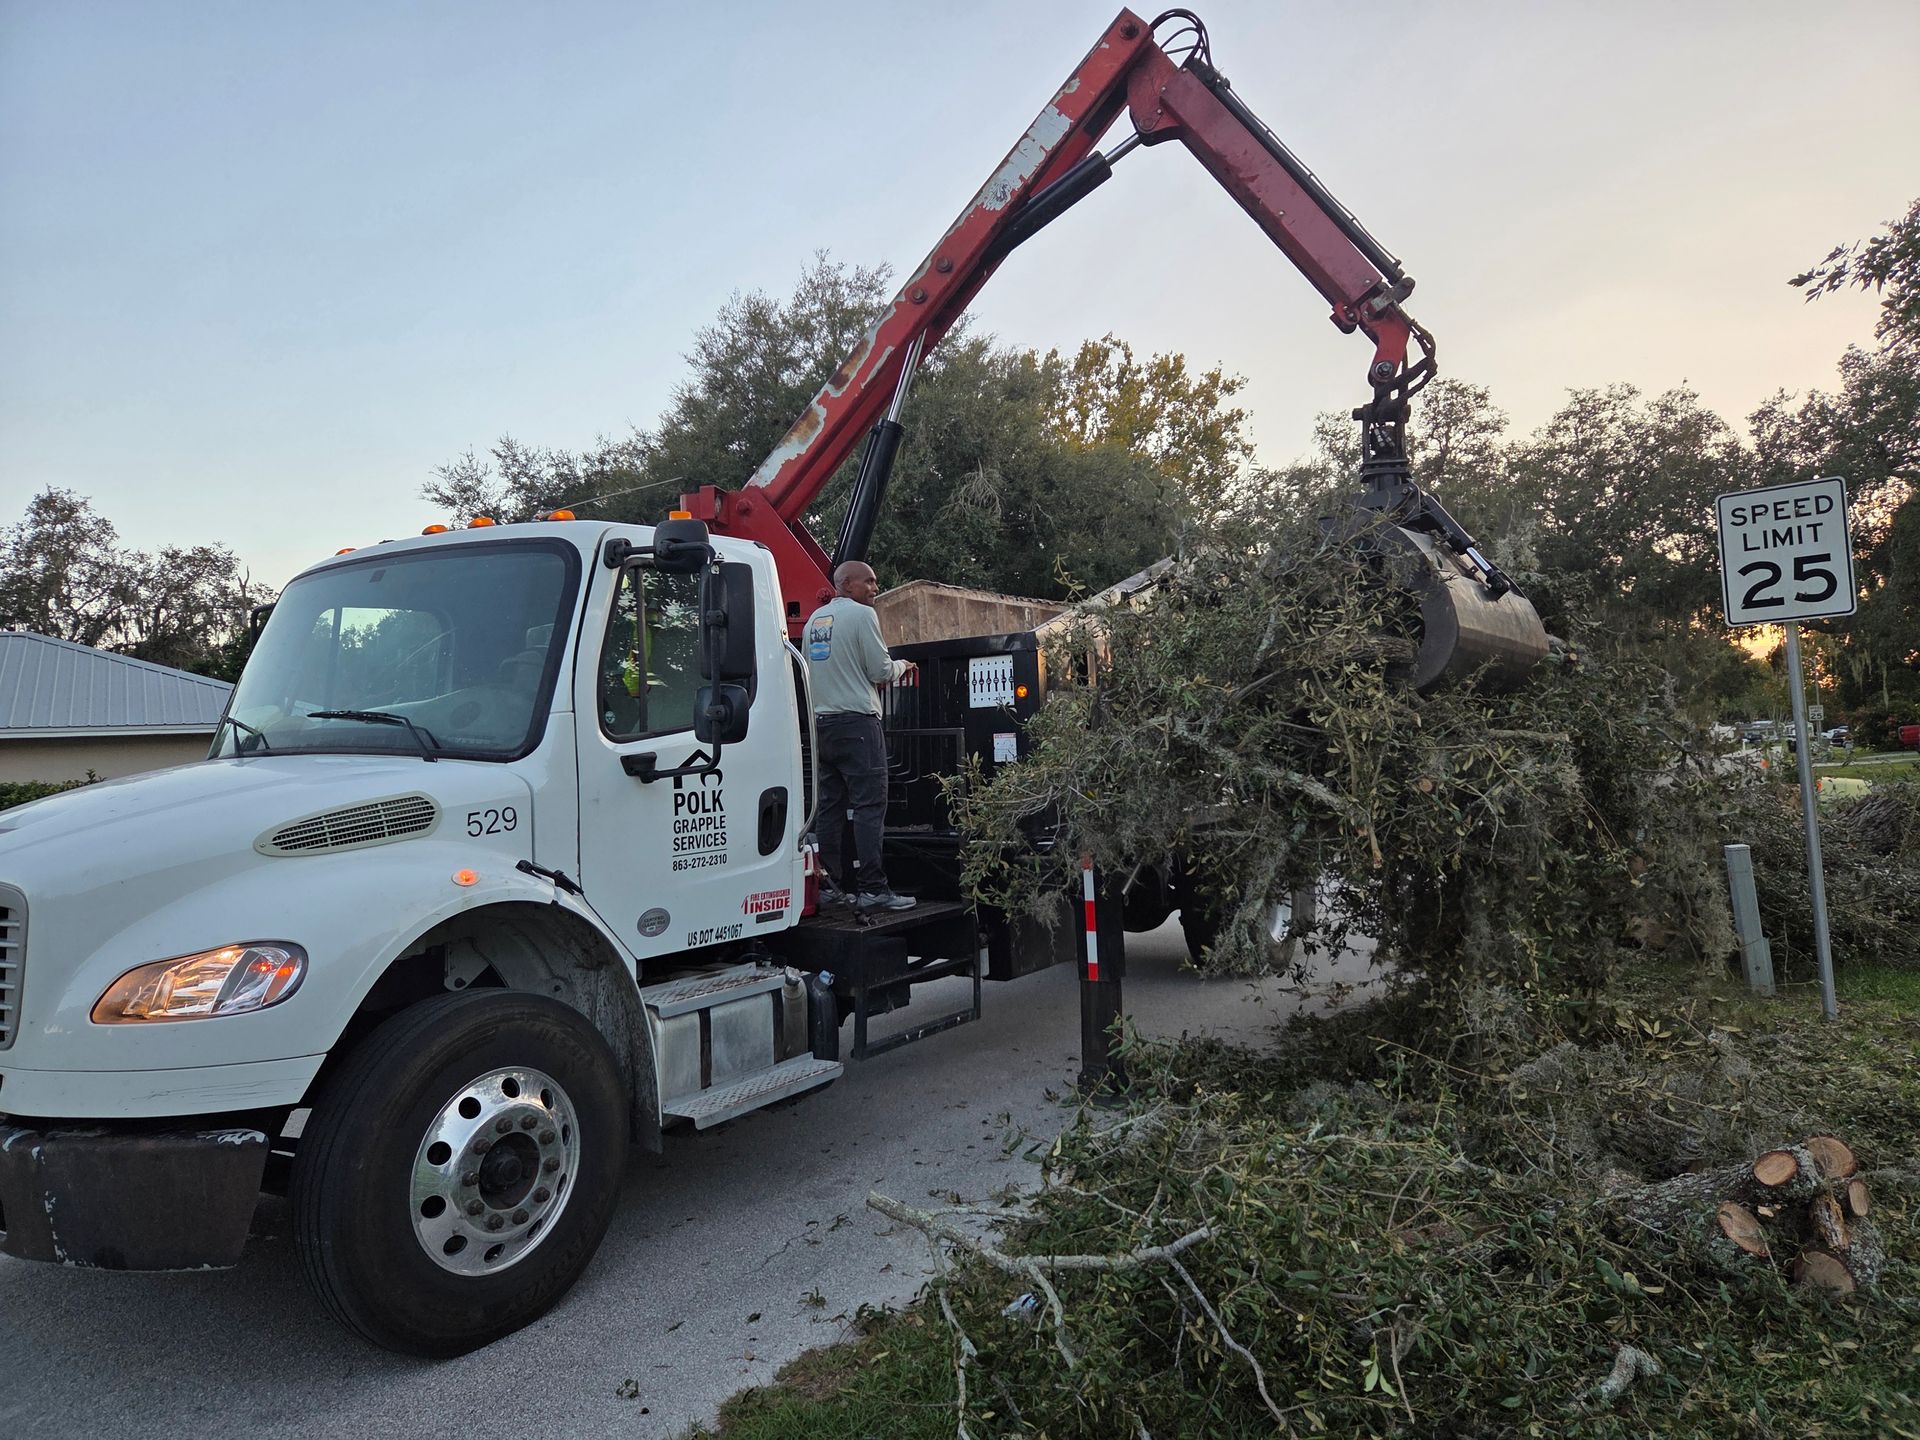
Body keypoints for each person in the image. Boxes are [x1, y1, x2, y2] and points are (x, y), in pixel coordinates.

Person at [805, 561, 917, 912]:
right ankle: (873, 888)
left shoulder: (814, 621)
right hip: (857, 726)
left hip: (821, 726)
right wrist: (904, 666)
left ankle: (831, 886)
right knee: (869, 808)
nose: (874, 587)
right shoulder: (863, 616)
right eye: (868, 581)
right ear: (847, 584)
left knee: (830, 809)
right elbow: (880, 670)